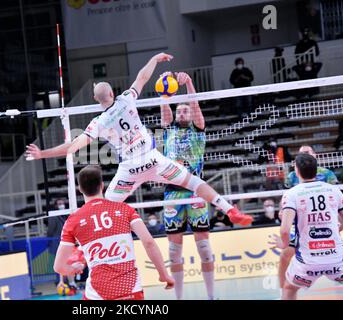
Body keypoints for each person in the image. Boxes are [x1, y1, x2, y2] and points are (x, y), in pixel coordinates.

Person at [26, 52, 251, 227]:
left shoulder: (98, 122)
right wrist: (154, 59)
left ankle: (79, 249)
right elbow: (142, 77)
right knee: (194, 182)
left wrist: (42, 154)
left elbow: (72, 147)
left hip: (130, 169)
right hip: (154, 161)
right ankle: (229, 209)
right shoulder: (126, 100)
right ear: (112, 94)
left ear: (96, 100)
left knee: (101, 207)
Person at [53, 165, 174, 300]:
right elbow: (149, 242)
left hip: (97, 294)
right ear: (102, 185)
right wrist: (163, 274)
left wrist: (73, 269)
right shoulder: (124, 209)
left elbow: (58, 267)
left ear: (80, 189)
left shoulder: (72, 221)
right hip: (131, 290)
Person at [160, 71, 219, 300]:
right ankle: (179, 299)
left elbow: (195, 105)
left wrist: (189, 83)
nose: (182, 112)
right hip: (173, 194)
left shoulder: (197, 130)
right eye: (179, 110)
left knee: (204, 249)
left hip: (196, 191)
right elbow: (164, 109)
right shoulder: (168, 130)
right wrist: (165, 89)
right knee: (174, 252)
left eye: (185, 110)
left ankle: (211, 296)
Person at [269, 153, 343, 300]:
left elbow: (284, 229)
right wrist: (339, 226)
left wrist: (283, 243)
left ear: (296, 171)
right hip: (338, 260)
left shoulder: (292, 194)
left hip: (308, 262)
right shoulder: (334, 190)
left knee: (289, 288)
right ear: (317, 170)